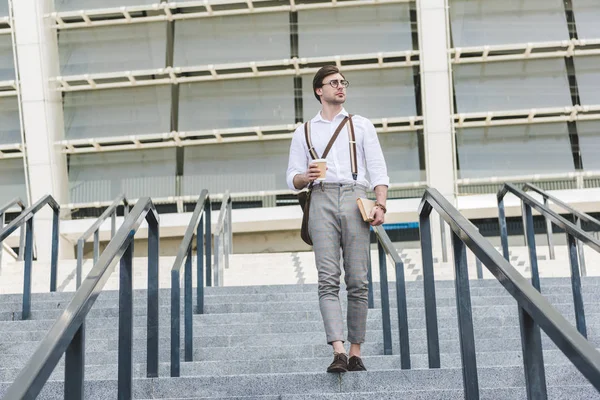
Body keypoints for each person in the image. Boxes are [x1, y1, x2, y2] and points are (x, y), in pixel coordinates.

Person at [286, 65, 389, 373]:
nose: (341, 87)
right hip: (320, 198)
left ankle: (357, 351)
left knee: (358, 279)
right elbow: (290, 177)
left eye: (343, 83)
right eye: (333, 83)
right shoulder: (304, 131)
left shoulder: (361, 125)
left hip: (356, 196)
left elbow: (379, 170)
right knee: (327, 278)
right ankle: (339, 350)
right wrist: (306, 176)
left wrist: (380, 204)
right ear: (319, 90)